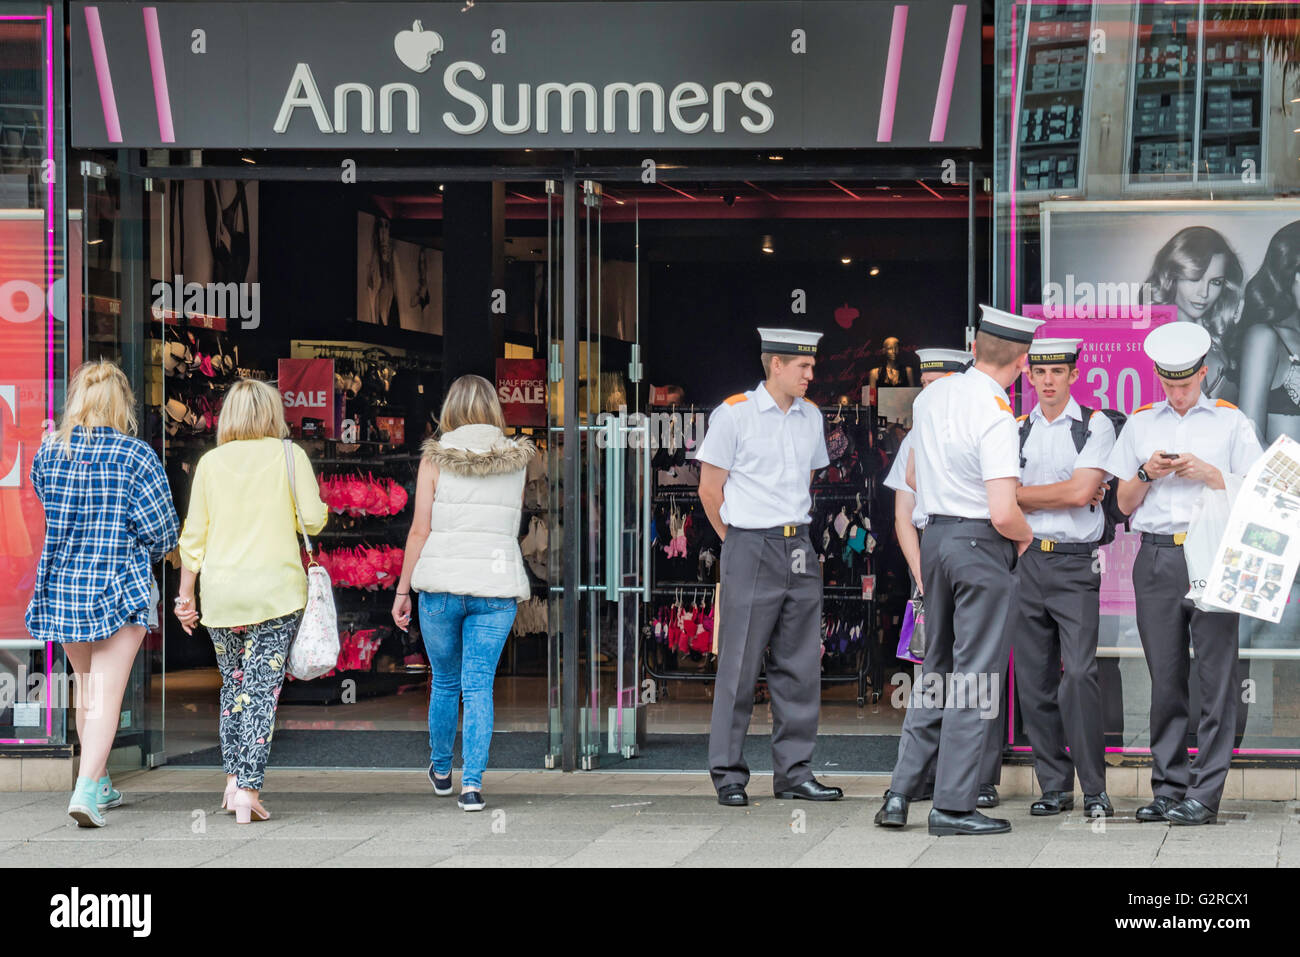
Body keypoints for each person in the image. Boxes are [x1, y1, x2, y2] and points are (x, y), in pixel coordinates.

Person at [875, 305, 1038, 836]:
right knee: (976, 678)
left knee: (935, 671)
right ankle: (953, 805)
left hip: (937, 537)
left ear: (973, 351)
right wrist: (1026, 538)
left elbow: (918, 477)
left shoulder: (934, 397)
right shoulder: (995, 411)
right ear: (1022, 360)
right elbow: (1003, 509)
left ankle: (899, 794)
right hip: (978, 544)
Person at [1106, 322, 1262, 825]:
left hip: (1213, 552)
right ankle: (1169, 787)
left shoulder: (1230, 423)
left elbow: (1263, 494)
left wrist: (1212, 475)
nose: (1177, 395)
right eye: (1169, 385)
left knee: (1217, 679)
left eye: (1186, 384)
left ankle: (1206, 793)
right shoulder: (1140, 423)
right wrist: (1148, 473)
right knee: (1165, 679)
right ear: (1157, 377)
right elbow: (1120, 505)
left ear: (1204, 373)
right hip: (1155, 556)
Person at [25, 360, 179, 827]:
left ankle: (102, 780)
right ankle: (87, 790)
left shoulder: (49, 453)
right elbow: (163, 530)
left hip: (66, 587)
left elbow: (46, 503)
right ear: (121, 406)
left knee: (88, 687)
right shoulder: (136, 456)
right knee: (108, 693)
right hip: (118, 586)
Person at [697, 328, 842, 807]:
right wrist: (736, 543)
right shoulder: (733, 414)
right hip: (750, 542)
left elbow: (803, 481)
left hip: (796, 542)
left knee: (800, 665)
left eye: (812, 365)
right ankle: (729, 775)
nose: (811, 373)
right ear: (775, 364)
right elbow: (709, 491)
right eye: (802, 366)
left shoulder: (812, 417)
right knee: (738, 665)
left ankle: (795, 773)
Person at [174, 379, 328, 824]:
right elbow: (314, 521)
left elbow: (194, 538)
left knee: (235, 690)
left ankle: (230, 782)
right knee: (261, 691)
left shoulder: (210, 463)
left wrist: (185, 595)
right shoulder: (289, 455)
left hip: (222, 596)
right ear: (271, 414)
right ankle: (248, 789)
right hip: (275, 593)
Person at [391, 375, 534, 812]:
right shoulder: (517, 458)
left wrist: (402, 590)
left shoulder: (434, 458)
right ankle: (472, 785)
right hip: (495, 586)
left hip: (441, 586)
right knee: (478, 686)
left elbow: (420, 530)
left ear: (449, 408)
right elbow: (512, 521)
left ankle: (440, 769)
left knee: (445, 682)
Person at [882, 347, 1003, 808]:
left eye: (940, 385)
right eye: (926, 386)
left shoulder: (968, 422)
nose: (932, 394)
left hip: (943, 553)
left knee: (959, 673)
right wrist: (919, 576)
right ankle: (940, 791)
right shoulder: (939, 430)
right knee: (961, 673)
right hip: (950, 555)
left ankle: (919, 790)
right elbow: (903, 511)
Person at [1009, 338, 1116, 817]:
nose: (1048, 380)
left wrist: (1022, 495)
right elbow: (1070, 491)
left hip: (1075, 564)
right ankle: (1054, 785)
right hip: (1027, 560)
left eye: (1058, 371)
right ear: (1028, 376)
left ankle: (1095, 787)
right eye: (1040, 372)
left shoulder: (1096, 425)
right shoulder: (1013, 430)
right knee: (1033, 682)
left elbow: (1080, 493)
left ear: (1074, 373)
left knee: (1079, 676)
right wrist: (1068, 491)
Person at [1229, 220, 1300, 649]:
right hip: (1277, 503)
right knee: (1249, 633)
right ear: (1287, 273)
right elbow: (1249, 432)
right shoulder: (1266, 337)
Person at [1142, 226, 1244, 400]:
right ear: (1171, 276)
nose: (1204, 293)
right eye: (1194, 279)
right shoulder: (1159, 343)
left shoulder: (1213, 337)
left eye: (1216, 282)